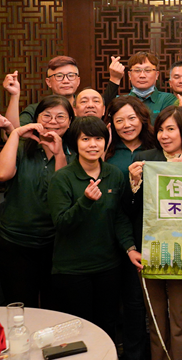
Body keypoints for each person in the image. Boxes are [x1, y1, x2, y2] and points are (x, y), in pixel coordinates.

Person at [48, 116, 142, 340]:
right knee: (77, 330)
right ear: (75, 143)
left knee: (107, 326)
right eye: (85, 139)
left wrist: (130, 248)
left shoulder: (114, 174)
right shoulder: (62, 178)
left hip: (108, 266)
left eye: (98, 139)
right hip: (72, 270)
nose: (93, 144)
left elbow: (119, 217)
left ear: (106, 142)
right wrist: (86, 201)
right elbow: (62, 223)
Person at [128, 106, 182, 360]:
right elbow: (130, 210)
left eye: (171, 129)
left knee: (181, 316)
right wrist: (135, 184)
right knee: (156, 318)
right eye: (160, 129)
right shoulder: (145, 158)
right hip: (150, 250)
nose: (164, 135)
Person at [0, 95, 75, 308]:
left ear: (70, 121)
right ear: (36, 119)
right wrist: (16, 133)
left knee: (56, 307)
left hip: (56, 243)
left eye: (60, 117)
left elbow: (63, 193)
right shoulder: (21, 147)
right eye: (46, 116)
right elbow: (3, 173)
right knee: (20, 306)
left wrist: (59, 154)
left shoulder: (74, 151)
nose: (53, 122)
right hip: (16, 241)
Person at [103, 96, 157, 360]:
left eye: (132, 118)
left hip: (152, 233)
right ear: (111, 124)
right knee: (130, 301)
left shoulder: (156, 147)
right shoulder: (108, 153)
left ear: (142, 118)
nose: (127, 125)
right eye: (119, 120)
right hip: (116, 237)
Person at [103, 52, 178, 124]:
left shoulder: (168, 99)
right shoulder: (121, 101)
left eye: (148, 70)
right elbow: (105, 113)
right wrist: (115, 79)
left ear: (157, 75)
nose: (142, 75)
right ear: (129, 75)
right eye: (137, 70)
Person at [9, 56, 81, 127]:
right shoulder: (36, 109)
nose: (66, 81)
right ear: (48, 82)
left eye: (71, 75)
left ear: (78, 81)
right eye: (59, 76)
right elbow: (13, 131)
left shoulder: (85, 108)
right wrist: (14, 95)